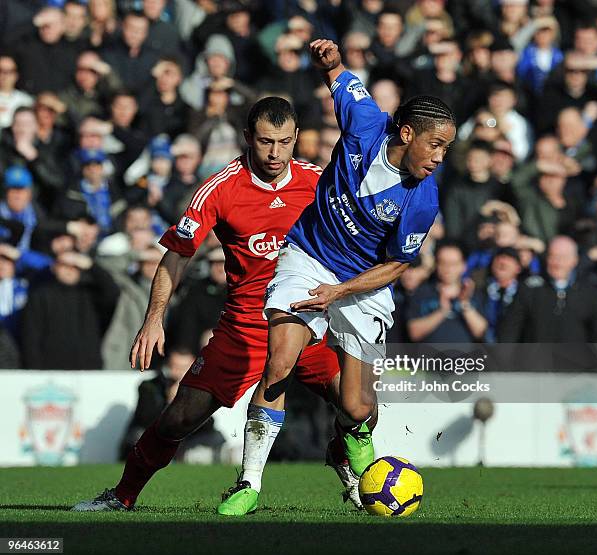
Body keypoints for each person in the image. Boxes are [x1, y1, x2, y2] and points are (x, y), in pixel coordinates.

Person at [71, 97, 363, 515]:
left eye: (284, 142)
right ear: (248, 138)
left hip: (308, 321)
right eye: (265, 142)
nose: (275, 152)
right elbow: (176, 255)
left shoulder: (319, 182)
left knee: (357, 404)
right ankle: (121, 496)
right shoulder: (221, 187)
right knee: (178, 420)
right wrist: (154, 318)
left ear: (297, 138)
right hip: (245, 329)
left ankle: (340, 452)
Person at [217, 39, 456, 513]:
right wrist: (332, 62)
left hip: (363, 283)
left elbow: (396, 265)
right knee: (280, 359)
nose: (439, 158)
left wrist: (339, 292)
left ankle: (345, 443)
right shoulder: (366, 124)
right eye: (436, 144)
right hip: (307, 257)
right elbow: (341, 81)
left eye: (447, 148)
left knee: (356, 406)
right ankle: (249, 483)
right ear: (406, 133)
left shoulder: (422, 199)